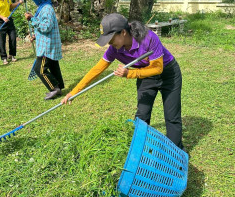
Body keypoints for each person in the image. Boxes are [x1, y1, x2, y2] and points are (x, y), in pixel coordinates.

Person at [61, 13, 185, 150]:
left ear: (124, 32)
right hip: (145, 76)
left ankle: (177, 154)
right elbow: (96, 70)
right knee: (142, 115)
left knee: (172, 117)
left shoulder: (148, 38)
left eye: (111, 39)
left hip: (168, 74)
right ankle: (138, 151)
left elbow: (157, 68)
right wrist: (74, 92)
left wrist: (130, 73)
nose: (109, 43)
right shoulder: (115, 50)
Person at [24, 0, 64, 100]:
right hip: (48, 42)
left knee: (39, 69)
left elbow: (46, 27)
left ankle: (54, 88)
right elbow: (45, 26)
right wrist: (36, 35)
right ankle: (59, 87)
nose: (33, 0)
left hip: (47, 46)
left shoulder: (46, 9)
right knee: (53, 66)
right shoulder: (44, 7)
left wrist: (32, 19)